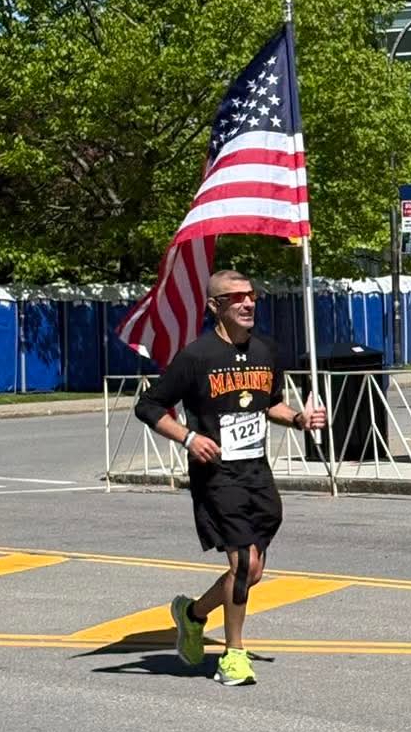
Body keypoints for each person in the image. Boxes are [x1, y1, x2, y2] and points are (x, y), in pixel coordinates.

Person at [134, 270, 327, 687]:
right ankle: (233, 655)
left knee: (253, 570)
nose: (247, 303)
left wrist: (298, 418)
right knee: (244, 564)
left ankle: (193, 614)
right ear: (215, 306)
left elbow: (269, 404)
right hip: (216, 475)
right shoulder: (196, 357)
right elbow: (148, 406)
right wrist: (188, 438)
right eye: (236, 297)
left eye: (252, 295)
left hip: (257, 473)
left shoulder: (266, 350)